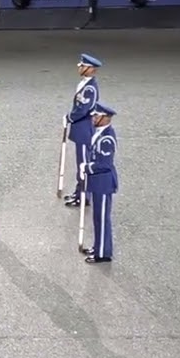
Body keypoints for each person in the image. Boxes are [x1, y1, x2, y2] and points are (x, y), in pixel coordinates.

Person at [81, 104, 119, 263]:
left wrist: (88, 167)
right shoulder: (100, 133)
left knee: (102, 218)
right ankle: (98, 246)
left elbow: (105, 164)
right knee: (97, 217)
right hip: (97, 182)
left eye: (97, 117)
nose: (94, 118)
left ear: (106, 119)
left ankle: (103, 253)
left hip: (103, 184)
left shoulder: (107, 139)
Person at [64, 54, 101, 208]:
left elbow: (84, 109)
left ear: (90, 69)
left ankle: (84, 196)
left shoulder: (90, 88)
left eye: (82, 66)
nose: (79, 68)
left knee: (83, 164)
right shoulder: (84, 84)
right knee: (80, 163)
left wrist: (70, 117)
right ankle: (79, 192)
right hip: (81, 130)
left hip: (85, 130)